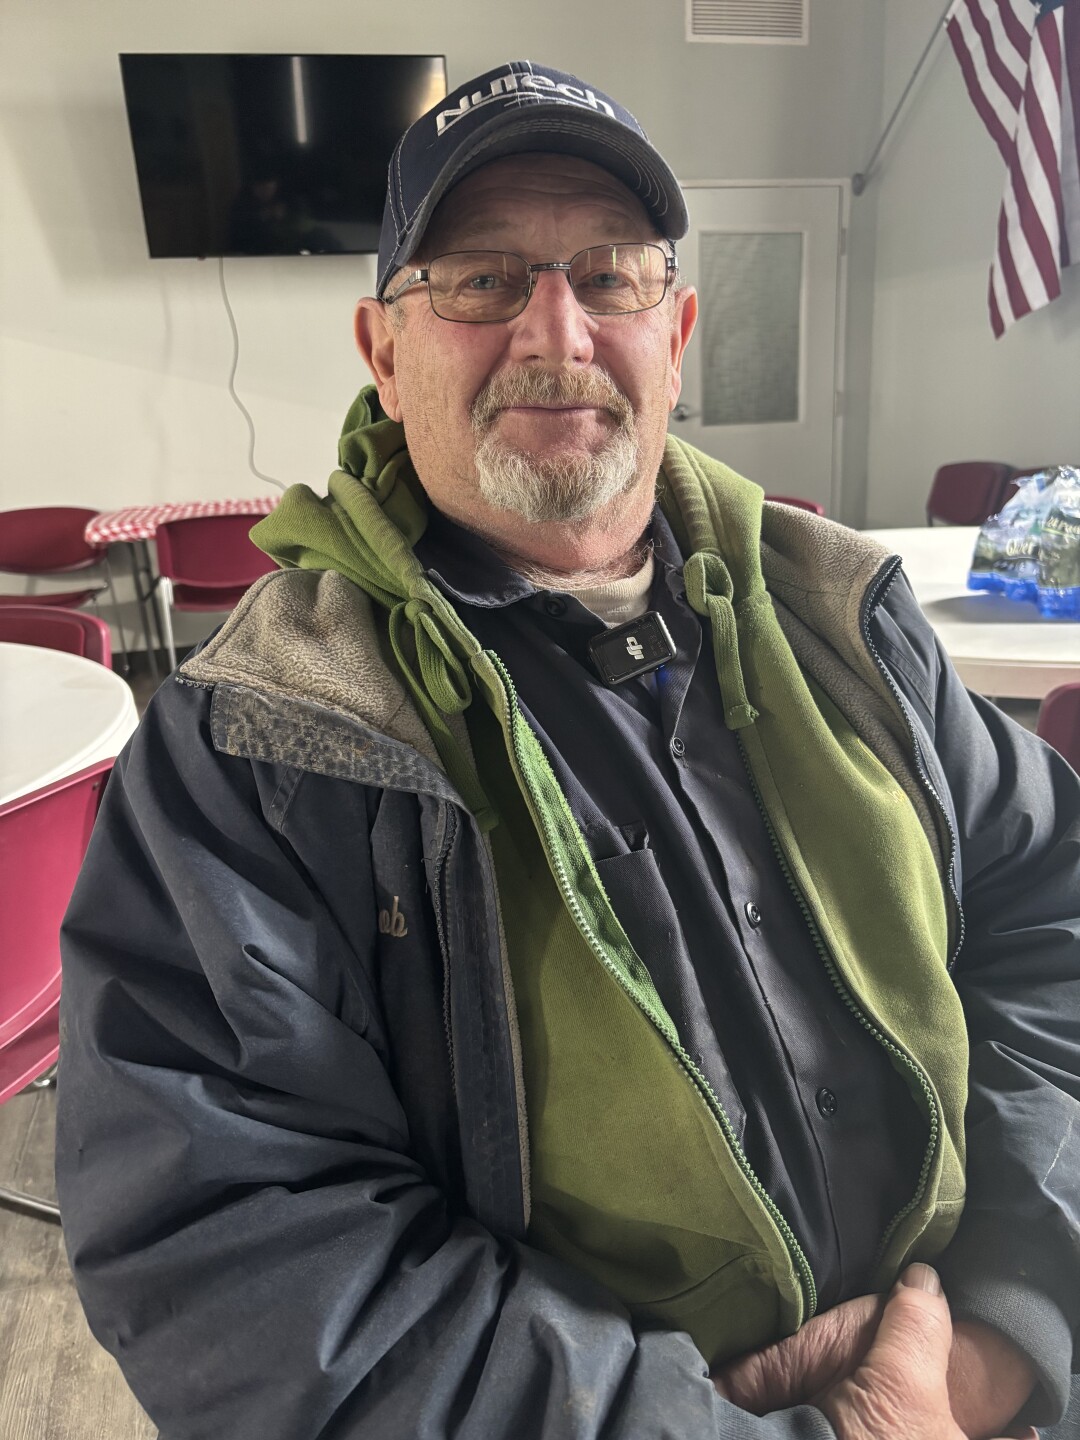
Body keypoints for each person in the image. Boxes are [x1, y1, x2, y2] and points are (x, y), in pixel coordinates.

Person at [56, 60, 1079, 1440]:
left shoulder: (846, 623)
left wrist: (1009, 1324)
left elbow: (1051, 922)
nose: (557, 331)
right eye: (482, 280)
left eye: (610, 278)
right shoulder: (259, 746)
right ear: (382, 349)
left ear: (680, 331)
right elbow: (241, 1255)